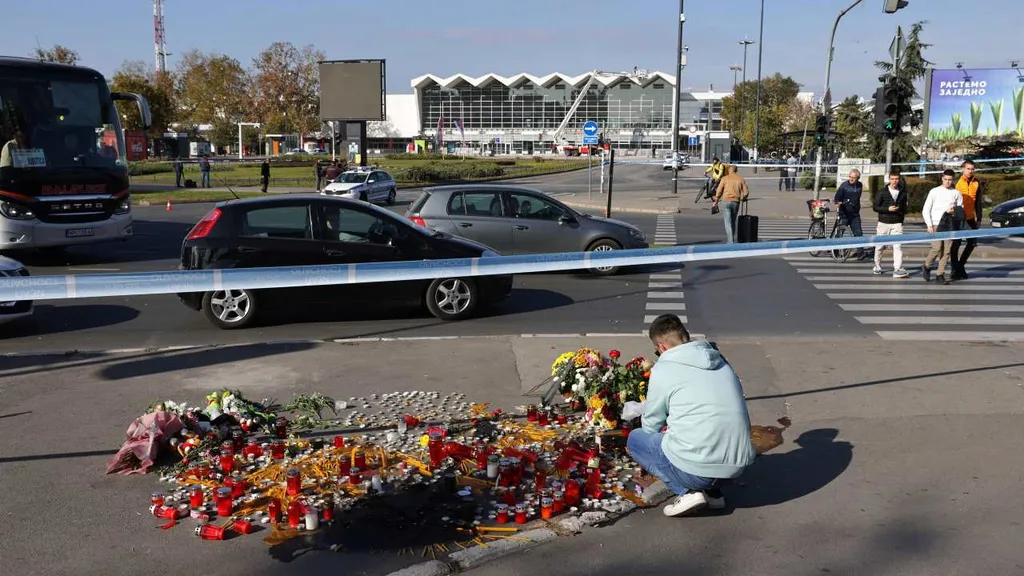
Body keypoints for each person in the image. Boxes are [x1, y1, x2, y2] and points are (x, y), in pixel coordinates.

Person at [626, 314, 756, 517]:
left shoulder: (664, 368)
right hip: (737, 466)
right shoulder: (719, 360)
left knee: (636, 439)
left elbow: (651, 425)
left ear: (661, 347)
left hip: (697, 470)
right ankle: (714, 494)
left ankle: (687, 492)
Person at [921, 169, 965, 285]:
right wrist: (929, 224)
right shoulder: (934, 191)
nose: (948, 182)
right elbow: (926, 209)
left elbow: (961, 210)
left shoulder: (956, 193)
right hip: (936, 224)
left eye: (950, 180)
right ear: (942, 179)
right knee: (936, 249)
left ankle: (940, 275)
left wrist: (954, 212)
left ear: (953, 180)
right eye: (945, 179)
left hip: (949, 225)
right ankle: (927, 266)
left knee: (946, 252)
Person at [872, 171, 909, 278]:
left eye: (896, 179)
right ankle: (877, 266)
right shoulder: (882, 192)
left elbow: (904, 207)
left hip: (897, 223)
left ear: (899, 179)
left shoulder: (903, 192)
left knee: (897, 246)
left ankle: (897, 268)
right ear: (889, 179)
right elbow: (875, 207)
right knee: (879, 246)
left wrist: (901, 221)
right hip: (884, 222)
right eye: (892, 179)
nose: (894, 181)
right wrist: (887, 209)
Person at [951, 160, 982, 280]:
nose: (970, 171)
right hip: (958, 219)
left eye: (972, 169)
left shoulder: (976, 182)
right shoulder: (956, 182)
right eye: (968, 169)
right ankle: (956, 269)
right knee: (955, 245)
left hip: (970, 218)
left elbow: (978, 202)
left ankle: (960, 266)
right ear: (963, 169)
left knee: (972, 243)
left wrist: (979, 218)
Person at [712, 164, 750, 243]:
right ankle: (731, 239)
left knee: (727, 222)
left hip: (726, 201)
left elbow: (719, 191)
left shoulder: (725, 178)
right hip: (736, 202)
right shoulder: (740, 179)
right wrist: (744, 198)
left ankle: (730, 241)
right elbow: (746, 192)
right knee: (732, 221)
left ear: (730, 170)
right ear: (736, 170)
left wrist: (716, 201)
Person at [833, 169, 866, 259]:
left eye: (853, 178)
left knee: (858, 233)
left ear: (858, 178)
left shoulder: (859, 185)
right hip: (844, 213)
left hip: (854, 214)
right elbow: (836, 198)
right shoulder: (844, 186)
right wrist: (838, 202)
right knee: (840, 233)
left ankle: (860, 253)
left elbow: (856, 197)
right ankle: (835, 251)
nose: (851, 179)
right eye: (850, 177)